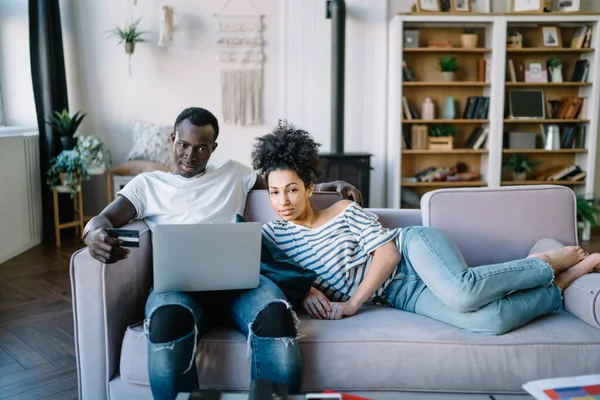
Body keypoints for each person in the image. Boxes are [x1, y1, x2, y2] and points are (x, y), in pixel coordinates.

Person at [82, 107, 361, 399]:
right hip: (179, 288)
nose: (191, 155)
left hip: (240, 284)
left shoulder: (234, 173)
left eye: (202, 148)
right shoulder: (147, 185)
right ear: (172, 139)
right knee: (166, 322)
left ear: (213, 148)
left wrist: (330, 186)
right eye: (184, 144)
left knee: (277, 315)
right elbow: (102, 220)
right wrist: (94, 234)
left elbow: (283, 184)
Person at [251, 121, 600, 334]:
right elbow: (263, 271)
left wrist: (354, 304)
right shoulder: (271, 236)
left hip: (411, 253)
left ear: (310, 188)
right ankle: (558, 286)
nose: (283, 201)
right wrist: (307, 290)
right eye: (274, 192)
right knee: (488, 322)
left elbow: (386, 255)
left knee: (464, 293)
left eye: (293, 189)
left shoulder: (343, 209)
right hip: (399, 294)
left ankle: (545, 261)